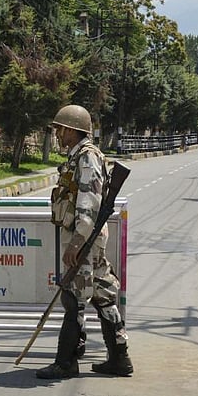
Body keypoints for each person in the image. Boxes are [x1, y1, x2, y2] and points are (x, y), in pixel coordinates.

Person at [36, 105, 133, 379]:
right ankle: (119, 358)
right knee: (103, 294)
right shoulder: (77, 156)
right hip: (89, 238)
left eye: (60, 129)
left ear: (71, 129)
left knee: (73, 298)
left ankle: (66, 362)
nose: (57, 133)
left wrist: (77, 243)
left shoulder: (86, 158)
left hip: (84, 238)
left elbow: (87, 203)